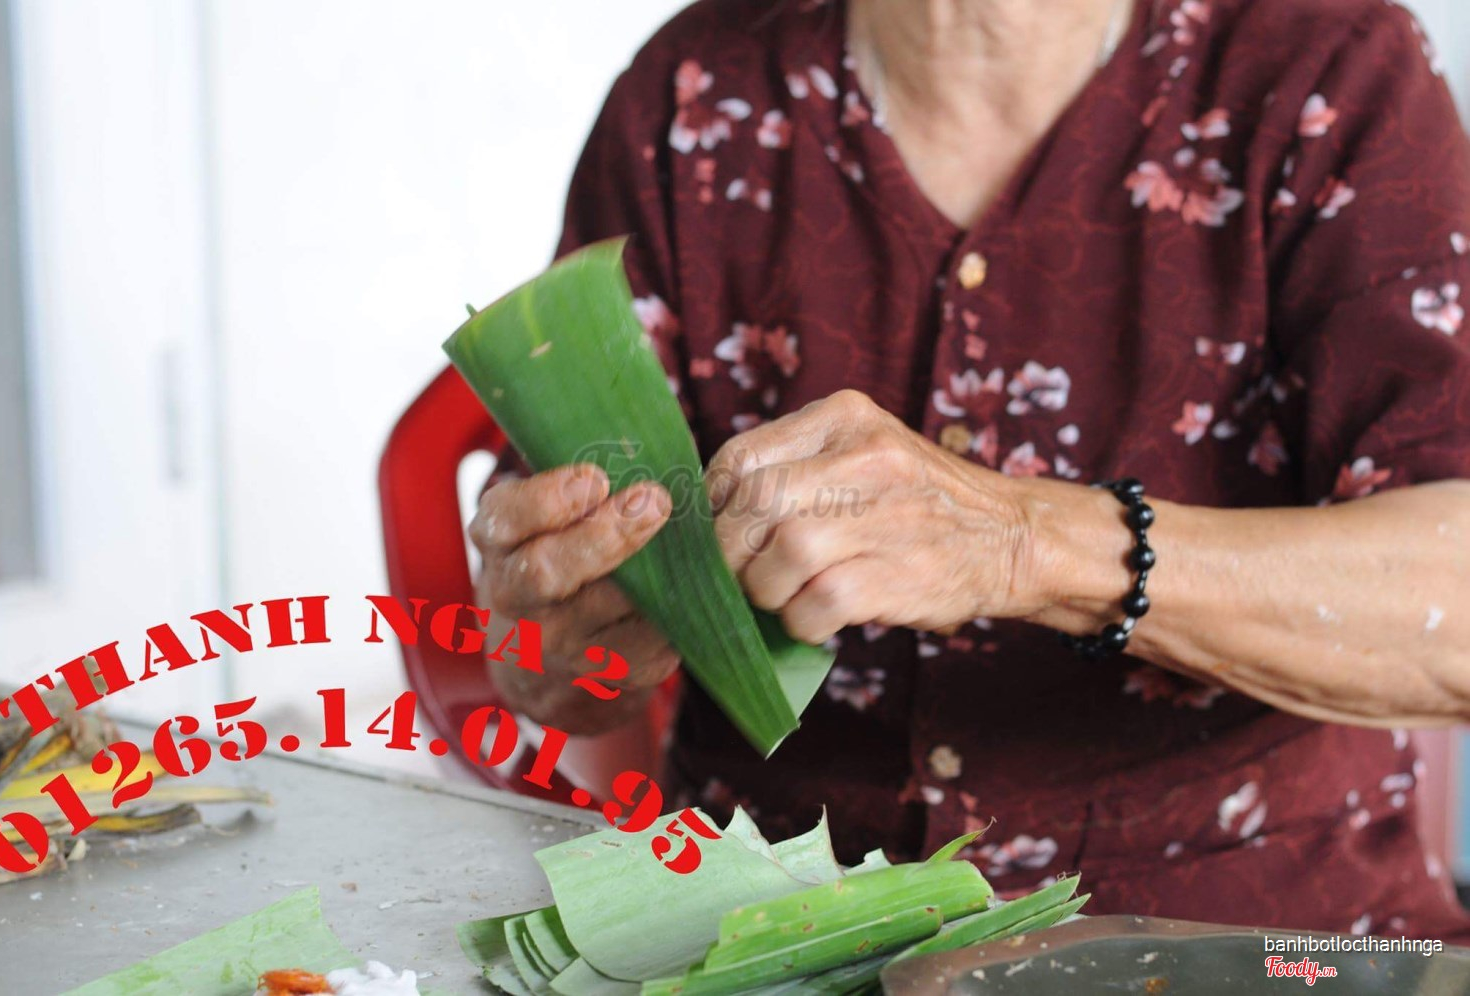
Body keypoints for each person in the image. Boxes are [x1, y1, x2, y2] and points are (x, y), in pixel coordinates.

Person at [469, 0, 1470, 938]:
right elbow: (547, 668)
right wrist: (560, 639)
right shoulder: (693, 92)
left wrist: (1027, 544)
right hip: (768, 932)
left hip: (1261, 937)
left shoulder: (1325, 67)